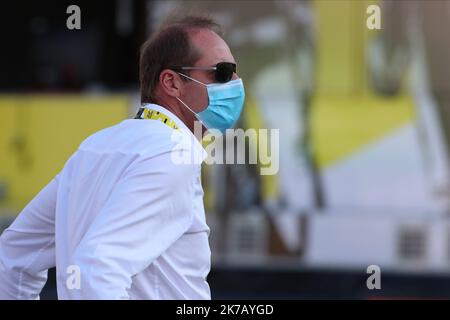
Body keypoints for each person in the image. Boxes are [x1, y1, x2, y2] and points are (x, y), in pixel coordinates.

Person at [0, 14, 245, 299]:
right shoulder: (173, 152)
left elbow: (13, 258)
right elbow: (97, 268)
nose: (236, 83)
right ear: (171, 82)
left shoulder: (94, 148)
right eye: (223, 72)